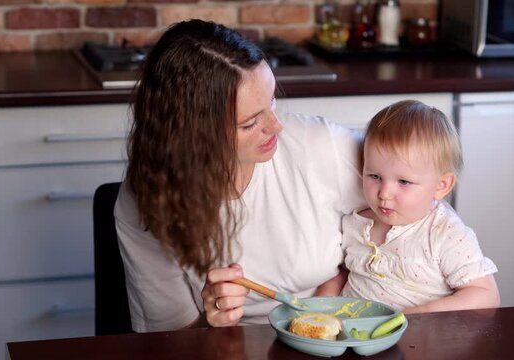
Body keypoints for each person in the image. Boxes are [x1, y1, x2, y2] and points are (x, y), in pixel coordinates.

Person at [114, 19, 366, 332]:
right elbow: (170, 341)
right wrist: (212, 323)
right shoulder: (145, 201)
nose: (276, 126)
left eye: (272, 100)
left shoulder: (321, 145)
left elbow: (423, 211)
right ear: (192, 135)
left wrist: (344, 279)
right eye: (249, 123)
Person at [319, 100, 500, 313]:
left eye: (403, 182)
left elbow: (485, 294)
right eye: (375, 176)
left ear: (441, 186)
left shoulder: (445, 233)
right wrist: (323, 301)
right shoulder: (355, 222)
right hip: (352, 336)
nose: (384, 194)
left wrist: (415, 317)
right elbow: (346, 272)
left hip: (418, 341)